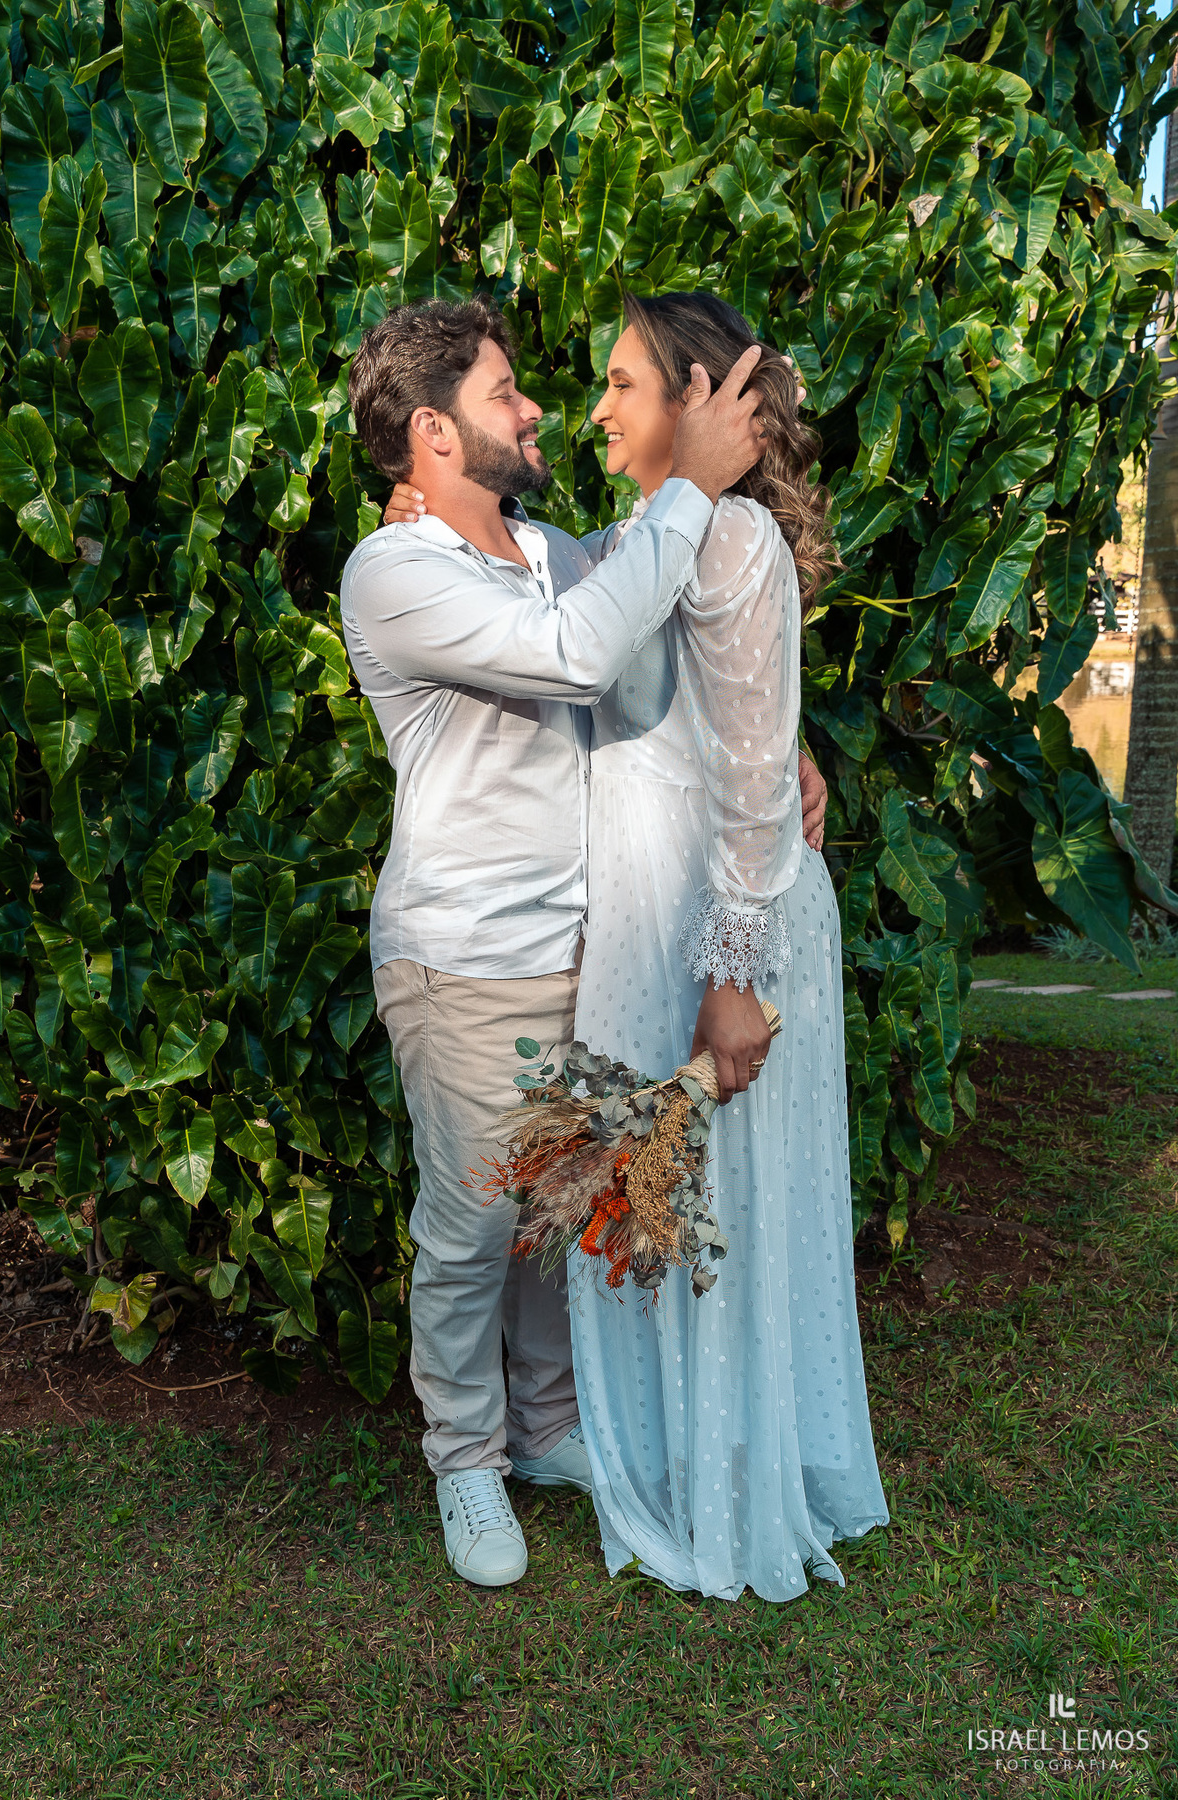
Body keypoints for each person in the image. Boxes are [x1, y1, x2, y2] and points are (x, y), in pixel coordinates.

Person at [389, 293, 888, 1604]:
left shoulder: (669, 543)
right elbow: (584, 636)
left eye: (620, 383)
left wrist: (782, 771)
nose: (575, 405)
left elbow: (733, 745)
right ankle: (484, 1450)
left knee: (634, 1200)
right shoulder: (507, 556)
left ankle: (630, 1445)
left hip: (676, 935)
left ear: (699, 399)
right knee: (520, 1203)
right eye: (535, 389)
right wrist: (418, 514)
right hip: (543, 939)